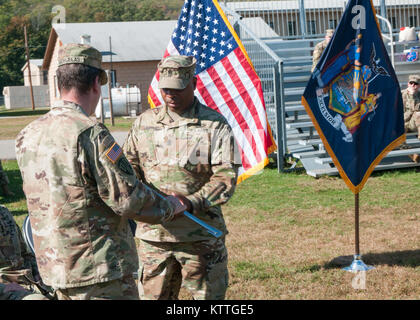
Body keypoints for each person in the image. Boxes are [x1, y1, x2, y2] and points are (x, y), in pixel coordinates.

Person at [15, 44, 186, 300]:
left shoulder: (27, 134)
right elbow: (127, 199)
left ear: (59, 82)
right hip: (100, 274)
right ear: (96, 83)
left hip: (56, 271)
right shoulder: (90, 133)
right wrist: (171, 205)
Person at [123, 55, 239, 300]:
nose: (170, 95)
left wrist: (189, 202)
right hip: (154, 238)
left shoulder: (214, 125)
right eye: (165, 89)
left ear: (194, 83)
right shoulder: (144, 123)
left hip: (200, 239)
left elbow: (225, 179)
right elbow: (128, 170)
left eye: (177, 89)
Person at [0, 205, 49, 300]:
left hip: (28, 278)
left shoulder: (3, 212)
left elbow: (25, 253)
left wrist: (40, 274)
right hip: (6, 285)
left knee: (71, 287)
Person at [401, 75, 420, 162]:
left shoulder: (419, 95)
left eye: (415, 83)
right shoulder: (401, 94)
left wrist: (413, 96)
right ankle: (415, 158)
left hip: (414, 123)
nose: (412, 85)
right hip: (403, 123)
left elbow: (414, 111)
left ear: (419, 85)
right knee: (398, 140)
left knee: (418, 114)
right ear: (408, 84)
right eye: (411, 83)